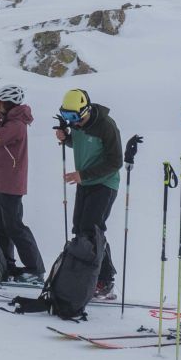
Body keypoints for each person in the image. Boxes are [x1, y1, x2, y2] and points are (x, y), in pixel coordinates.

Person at [55, 87, 124, 299]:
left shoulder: (106, 126)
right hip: (84, 182)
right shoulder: (76, 125)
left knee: (92, 229)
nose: (72, 121)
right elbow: (81, 143)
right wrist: (66, 138)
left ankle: (105, 281)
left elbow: (116, 161)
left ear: (85, 110)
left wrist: (83, 175)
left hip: (104, 183)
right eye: (67, 116)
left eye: (74, 116)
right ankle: (90, 276)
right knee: (80, 230)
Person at [0, 84, 45, 284]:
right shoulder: (8, 120)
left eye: (0, 102)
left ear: (7, 103)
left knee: (14, 226)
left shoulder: (16, 125)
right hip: (0, 180)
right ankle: (5, 264)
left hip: (10, 183)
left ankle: (35, 269)